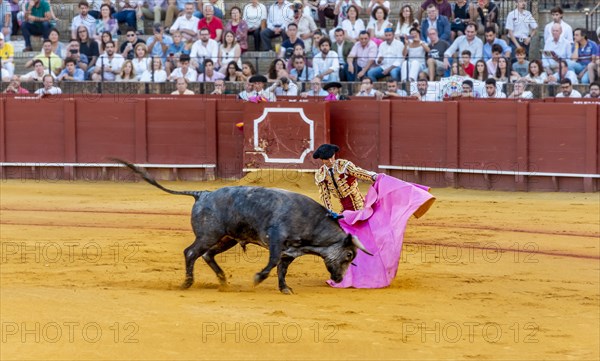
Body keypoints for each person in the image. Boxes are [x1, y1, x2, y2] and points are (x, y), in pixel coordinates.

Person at [313, 143, 377, 212]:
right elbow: (324, 196)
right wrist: (329, 211)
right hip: (344, 208)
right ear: (322, 160)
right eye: (327, 159)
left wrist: (373, 176)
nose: (331, 161)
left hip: (358, 203)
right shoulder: (321, 174)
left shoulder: (343, 165)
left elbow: (357, 172)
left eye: (331, 157)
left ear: (334, 155)